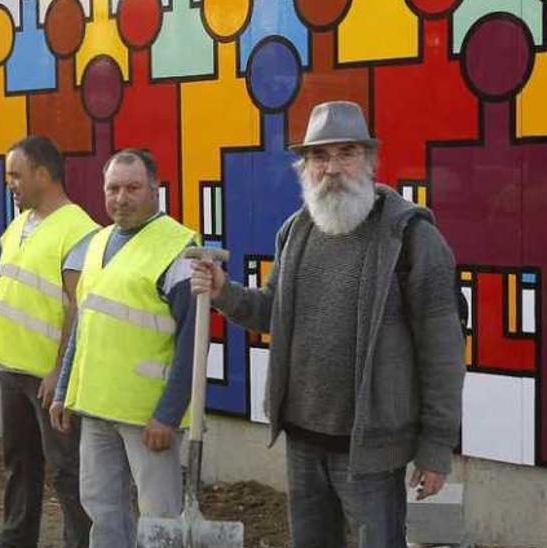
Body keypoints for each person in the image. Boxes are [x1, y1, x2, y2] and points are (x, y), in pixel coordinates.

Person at [191, 101, 465, 548]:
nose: (332, 168)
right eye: (320, 156)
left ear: (371, 161)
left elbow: (443, 351)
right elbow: (271, 312)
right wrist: (225, 291)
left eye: (346, 153)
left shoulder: (412, 238)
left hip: (372, 454)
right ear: (305, 167)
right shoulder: (296, 231)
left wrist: (435, 448)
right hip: (303, 444)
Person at [49, 149, 198, 548]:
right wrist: (65, 389)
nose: (121, 197)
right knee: (102, 508)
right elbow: (84, 322)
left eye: (133, 188)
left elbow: (192, 343)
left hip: (147, 416)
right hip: (96, 407)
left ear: (155, 189)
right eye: (113, 188)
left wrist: (167, 415)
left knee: (159, 515)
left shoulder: (178, 248)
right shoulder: (97, 243)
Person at [0, 135, 96, 548]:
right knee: (19, 461)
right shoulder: (20, 222)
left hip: (46, 375)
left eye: (16, 175)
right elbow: (5, 291)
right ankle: (16, 538)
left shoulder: (78, 229)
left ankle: (83, 542)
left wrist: (60, 371)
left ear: (43, 174)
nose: (11, 184)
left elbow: (78, 309)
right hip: (11, 366)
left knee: (65, 469)